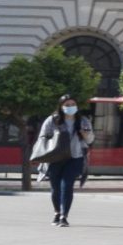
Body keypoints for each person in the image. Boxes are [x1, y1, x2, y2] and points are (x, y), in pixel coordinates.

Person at [31, 96, 93, 227]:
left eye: (73, 104)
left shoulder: (83, 121)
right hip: (55, 157)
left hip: (75, 157)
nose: (70, 107)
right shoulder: (52, 120)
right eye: (67, 104)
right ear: (61, 106)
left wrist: (84, 134)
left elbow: (90, 140)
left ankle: (64, 216)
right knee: (55, 188)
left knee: (67, 185)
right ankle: (57, 212)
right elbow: (42, 137)